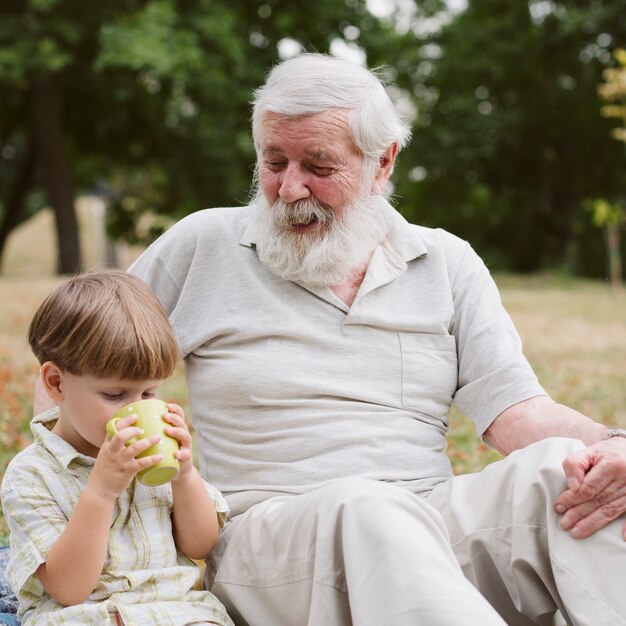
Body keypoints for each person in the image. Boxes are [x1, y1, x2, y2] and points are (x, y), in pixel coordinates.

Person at [41, 54, 626, 624]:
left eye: (318, 167)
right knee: (365, 506)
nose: (290, 189)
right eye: (274, 163)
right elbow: (70, 364)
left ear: (383, 162)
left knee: (572, 472)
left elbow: (517, 412)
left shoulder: (446, 261)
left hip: (426, 520)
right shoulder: (204, 246)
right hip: (265, 539)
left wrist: (615, 446)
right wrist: (65, 494)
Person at [2, 271, 233, 626]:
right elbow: (69, 588)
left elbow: (200, 546)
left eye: (148, 394)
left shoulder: (158, 454)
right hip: (87, 617)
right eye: (114, 395)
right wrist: (100, 490)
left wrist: (185, 477)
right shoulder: (31, 475)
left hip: (178, 612)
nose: (134, 408)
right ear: (56, 383)